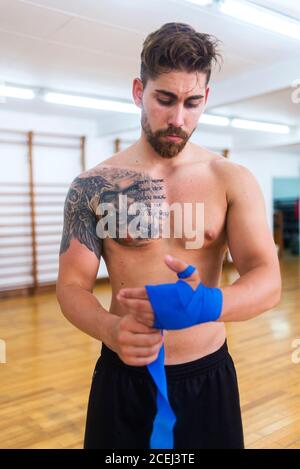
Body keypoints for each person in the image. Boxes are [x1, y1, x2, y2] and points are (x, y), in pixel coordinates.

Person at [56, 22, 281, 449]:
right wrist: (108, 328)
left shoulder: (231, 179)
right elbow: (71, 286)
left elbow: (268, 282)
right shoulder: (94, 185)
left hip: (207, 376)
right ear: (139, 91)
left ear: (206, 99)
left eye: (192, 102)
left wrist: (207, 304)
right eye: (165, 99)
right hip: (125, 376)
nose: (179, 118)